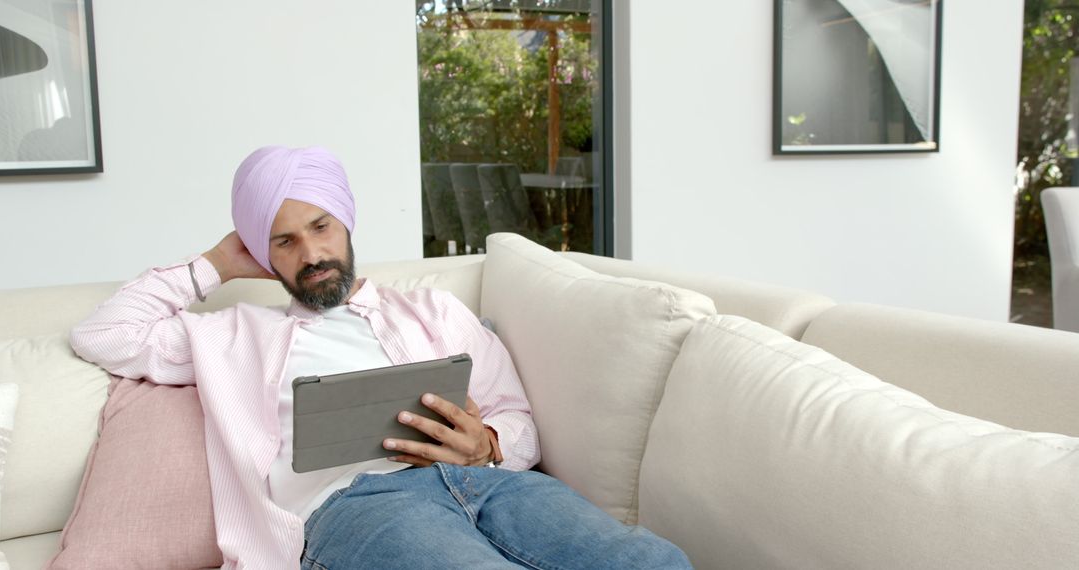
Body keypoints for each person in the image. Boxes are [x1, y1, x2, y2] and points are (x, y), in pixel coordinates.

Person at [71, 146, 692, 570]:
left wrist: (491, 444)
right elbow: (105, 335)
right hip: (355, 508)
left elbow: (514, 414)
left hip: (492, 486)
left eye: (321, 227)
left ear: (346, 222)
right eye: (283, 241)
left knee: (654, 562)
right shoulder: (231, 336)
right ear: (261, 255)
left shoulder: (435, 312)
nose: (311, 254)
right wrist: (217, 263)